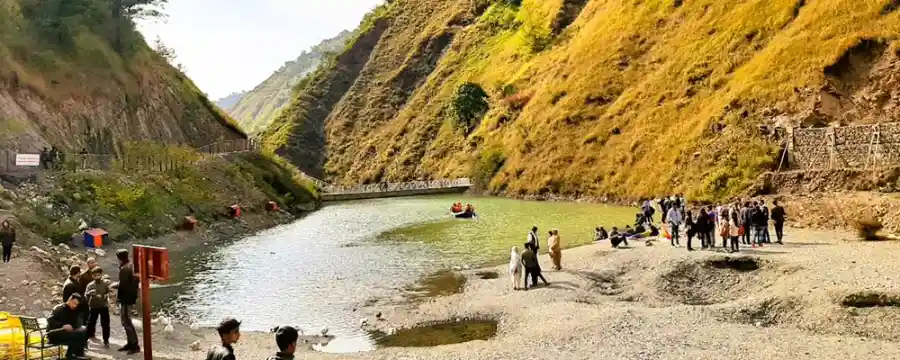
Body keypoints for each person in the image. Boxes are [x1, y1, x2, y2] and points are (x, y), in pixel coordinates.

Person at [111, 249, 140, 354]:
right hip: (131, 298)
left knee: (126, 322)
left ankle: (134, 345)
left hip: (126, 299)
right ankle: (130, 343)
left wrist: (115, 286)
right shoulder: (131, 266)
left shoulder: (124, 269)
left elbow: (123, 285)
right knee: (127, 321)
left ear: (119, 258)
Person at [47, 293, 88, 360]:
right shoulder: (59, 308)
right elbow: (50, 320)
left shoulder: (74, 311)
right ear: (69, 300)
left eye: (76, 304)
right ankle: (72, 355)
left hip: (66, 333)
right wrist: (62, 325)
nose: (75, 306)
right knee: (78, 335)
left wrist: (79, 326)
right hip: (54, 333)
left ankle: (75, 354)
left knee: (83, 331)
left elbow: (74, 324)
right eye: (74, 303)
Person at [85, 267, 111, 347]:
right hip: (93, 306)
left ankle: (106, 340)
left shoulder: (105, 283)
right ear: (92, 276)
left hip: (104, 306)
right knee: (91, 323)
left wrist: (104, 296)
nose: (97, 276)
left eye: (99, 275)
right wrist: (89, 293)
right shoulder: (90, 285)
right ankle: (87, 339)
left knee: (105, 324)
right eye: (95, 275)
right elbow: (86, 295)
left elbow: (110, 293)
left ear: (101, 275)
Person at [78, 258, 98, 325]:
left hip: (95, 298)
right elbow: (80, 288)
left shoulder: (98, 273)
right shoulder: (83, 275)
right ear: (88, 264)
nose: (93, 264)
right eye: (91, 263)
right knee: (86, 316)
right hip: (86, 298)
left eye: (94, 262)